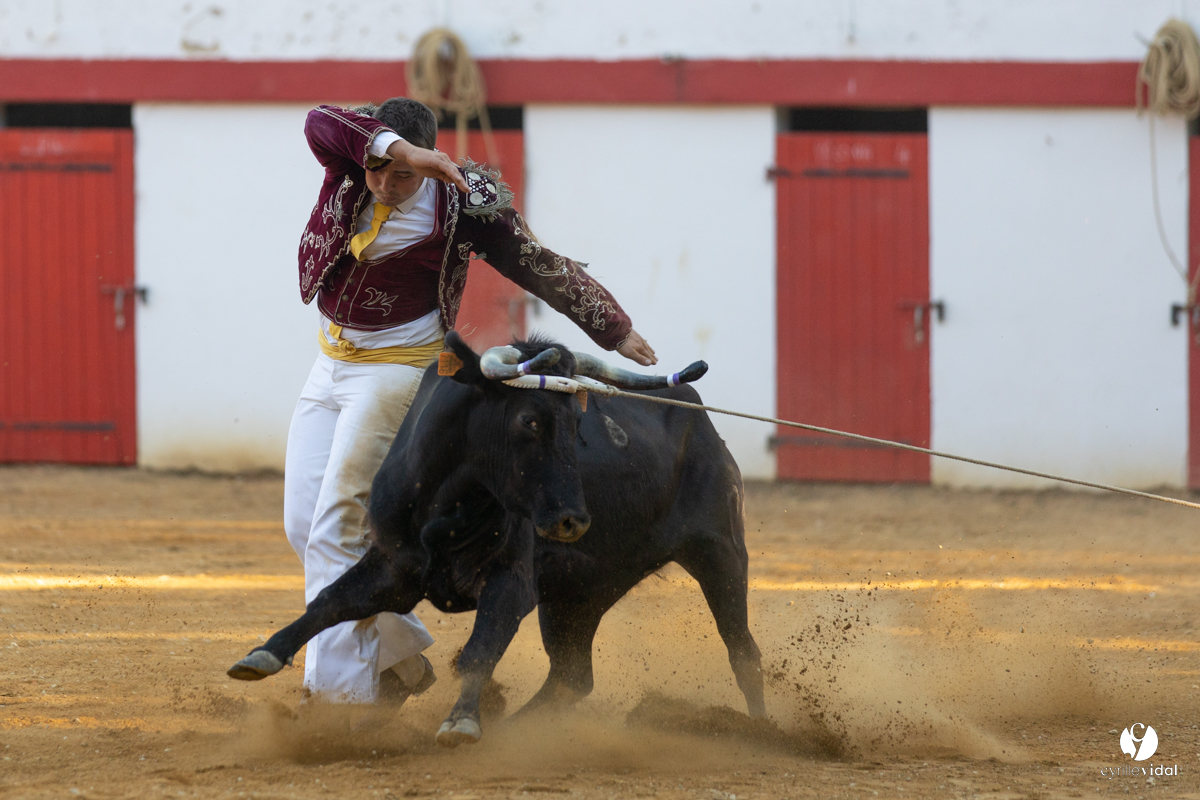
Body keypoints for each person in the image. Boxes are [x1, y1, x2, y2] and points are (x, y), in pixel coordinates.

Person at [284, 97, 658, 706]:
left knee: (336, 527)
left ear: (433, 163)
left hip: (398, 370)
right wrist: (401, 155)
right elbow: (317, 120)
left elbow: (538, 264)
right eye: (380, 169)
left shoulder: (464, 201)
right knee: (302, 524)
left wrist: (612, 328)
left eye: (403, 176)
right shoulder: (351, 156)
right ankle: (400, 658)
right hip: (330, 362)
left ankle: (338, 702)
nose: (385, 185)